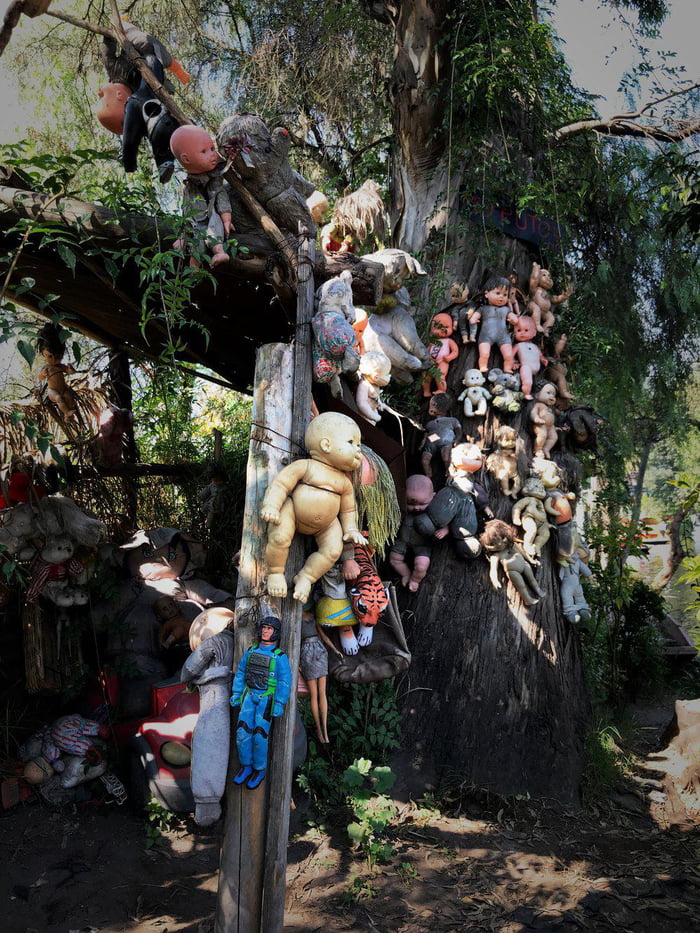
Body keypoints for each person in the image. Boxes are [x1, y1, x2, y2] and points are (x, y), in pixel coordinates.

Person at [231, 617, 291, 789]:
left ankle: (259, 769)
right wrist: (236, 693)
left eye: (269, 629)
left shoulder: (279, 657)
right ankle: (246, 766)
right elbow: (241, 672)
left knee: (259, 735)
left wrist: (279, 703)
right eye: (264, 628)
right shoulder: (250, 652)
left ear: (276, 632)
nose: (265, 631)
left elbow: (284, 681)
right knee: (242, 731)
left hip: (266, 700)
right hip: (249, 696)